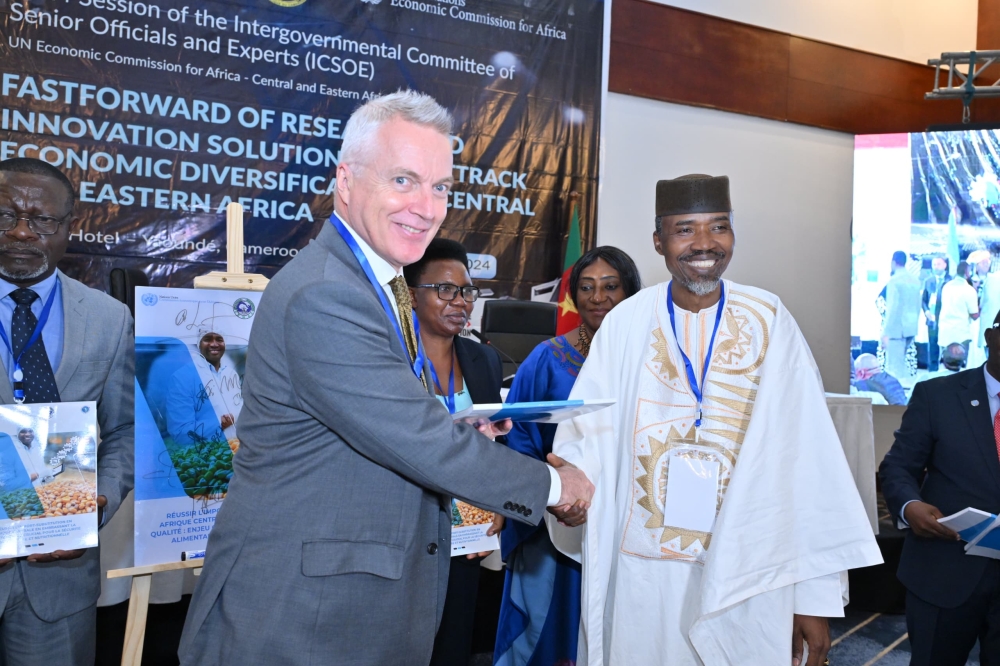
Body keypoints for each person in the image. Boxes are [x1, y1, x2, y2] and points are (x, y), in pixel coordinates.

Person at [178, 90, 594, 666]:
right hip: (301, 617)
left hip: (353, 606)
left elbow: (386, 422)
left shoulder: (380, 282)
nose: (426, 207)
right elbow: (416, 437)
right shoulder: (327, 293)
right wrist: (552, 488)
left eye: (441, 186)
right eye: (403, 180)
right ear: (346, 182)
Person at [548, 174, 881, 665]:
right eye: (685, 230)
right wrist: (571, 493)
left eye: (718, 227)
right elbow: (586, 435)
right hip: (646, 572)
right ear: (659, 240)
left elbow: (807, 458)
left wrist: (813, 598)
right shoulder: (627, 322)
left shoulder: (769, 319)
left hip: (752, 567)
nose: (704, 244)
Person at [0, 157, 133, 664]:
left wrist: (97, 498)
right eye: (5, 216)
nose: (20, 232)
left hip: (59, 578)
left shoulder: (108, 318)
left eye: (42, 220)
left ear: (68, 227)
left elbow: (123, 427)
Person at [494, 246, 642, 666]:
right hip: (555, 521)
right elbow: (517, 433)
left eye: (611, 286)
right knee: (555, 633)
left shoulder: (650, 361)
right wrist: (552, 496)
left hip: (628, 522)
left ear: (630, 291)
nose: (598, 297)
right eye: (587, 287)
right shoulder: (548, 358)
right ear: (574, 296)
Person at [402, 237, 504, 666]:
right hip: (404, 534)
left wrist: (498, 505)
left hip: (465, 538)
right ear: (410, 295)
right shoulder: (389, 360)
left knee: (452, 648)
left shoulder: (485, 360)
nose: (460, 301)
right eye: (445, 289)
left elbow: (495, 448)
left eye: (466, 291)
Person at [879, 308, 1000, 665]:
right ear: (990, 337)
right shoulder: (938, 395)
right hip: (945, 571)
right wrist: (909, 507)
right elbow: (899, 466)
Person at [166, 330, 241, 447]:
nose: (214, 344)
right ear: (198, 344)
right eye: (208, 339)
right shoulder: (182, 377)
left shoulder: (231, 373)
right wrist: (221, 422)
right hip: (205, 458)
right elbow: (181, 434)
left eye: (219, 339)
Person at [882, 250, 922, 382]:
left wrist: (885, 332)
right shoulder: (915, 281)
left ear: (893, 262)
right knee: (902, 364)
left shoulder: (894, 281)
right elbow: (918, 305)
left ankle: (894, 399)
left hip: (896, 329)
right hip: (911, 328)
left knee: (893, 368)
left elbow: (892, 308)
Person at [937, 261, 980, 350]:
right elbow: (974, 315)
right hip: (961, 335)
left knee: (945, 361)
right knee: (961, 362)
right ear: (967, 272)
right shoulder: (969, 290)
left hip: (945, 333)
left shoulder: (946, 286)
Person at [922, 257, 949, 371]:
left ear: (944, 265)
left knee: (946, 346)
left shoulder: (950, 281)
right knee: (932, 345)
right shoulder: (928, 281)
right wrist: (926, 311)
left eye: (938, 264)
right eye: (934, 264)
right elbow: (923, 300)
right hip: (932, 319)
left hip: (945, 319)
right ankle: (932, 370)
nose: (936, 266)